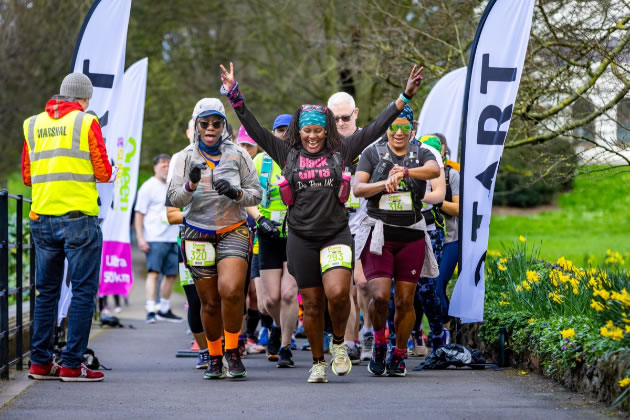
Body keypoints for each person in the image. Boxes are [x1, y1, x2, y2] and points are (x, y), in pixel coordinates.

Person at [220, 62, 424, 383]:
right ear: (298, 131)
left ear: (326, 130)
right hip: (301, 238)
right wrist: (234, 94)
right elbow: (255, 127)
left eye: (318, 131)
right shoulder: (285, 152)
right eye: (307, 131)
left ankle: (339, 345)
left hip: (335, 235)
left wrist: (404, 97)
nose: (313, 136)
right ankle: (318, 363)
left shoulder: (341, 150)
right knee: (312, 304)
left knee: (339, 293)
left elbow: (374, 127)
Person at [23, 72, 112, 381]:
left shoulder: (32, 124)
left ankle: (40, 363)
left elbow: (26, 175)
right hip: (78, 220)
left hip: (42, 217)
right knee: (84, 292)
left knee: (46, 293)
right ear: (84, 99)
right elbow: (102, 172)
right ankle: (72, 364)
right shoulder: (87, 122)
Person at [167, 98, 262, 379]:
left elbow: (256, 194)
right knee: (208, 302)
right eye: (204, 123)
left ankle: (233, 350)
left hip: (233, 229)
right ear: (196, 125)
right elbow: (172, 198)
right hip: (197, 232)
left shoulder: (239, 155)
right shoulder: (184, 157)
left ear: (224, 125)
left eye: (216, 123)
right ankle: (214, 354)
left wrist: (234, 193)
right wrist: (190, 185)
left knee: (232, 291)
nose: (211, 128)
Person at [353, 104, 440, 377]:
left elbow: (434, 171)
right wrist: (383, 183)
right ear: (386, 128)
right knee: (379, 296)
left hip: (411, 233)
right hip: (380, 232)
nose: (399, 132)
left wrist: (405, 173)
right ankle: (380, 340)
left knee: (405, 301)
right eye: (394, 126)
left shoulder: (421, 152)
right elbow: (358, 188)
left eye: (405, 127)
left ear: (412, 130)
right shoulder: (372, 153)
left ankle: (399, 353)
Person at [247, 114, 299, 367]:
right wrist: (259, 220)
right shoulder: (260, 160)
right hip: (268, 233)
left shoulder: (303, 159)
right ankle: (277, 326)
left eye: (288, 131)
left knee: (289, 294)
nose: (283, 135)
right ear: (274, 133)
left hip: (295, 234)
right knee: (269, 301)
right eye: (279, 131)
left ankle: (286, 346)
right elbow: (248, 196)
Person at [327, 92, 371, 364]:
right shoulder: (323, 145)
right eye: (336, 118)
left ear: (355, 114)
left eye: (346, 117)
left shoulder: (370, 143)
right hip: (336, 227)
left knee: (363, 285)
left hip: (367, 223)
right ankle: (352, 342)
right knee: (345, 290)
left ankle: (368, 332)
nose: (341, 122)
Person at [165, 120, 210, 370]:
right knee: (195, 300)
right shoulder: (180, 163)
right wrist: (196, 215)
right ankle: (204, 351)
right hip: (188, 241)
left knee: (219, 297)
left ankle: (224, 347)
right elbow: (171, 214)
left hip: (222, 240)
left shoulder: (224, 160)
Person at [135, 154, 182, 324]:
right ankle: (150, 308)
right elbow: (139, 213)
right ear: (155, 167)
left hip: (173, 236)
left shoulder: (175, 186)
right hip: (154, 237)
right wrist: (141, 238)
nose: (166, 167)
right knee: (153, 273)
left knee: (171, 274)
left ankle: (164, 308)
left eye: (168, 164)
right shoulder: (148, 187)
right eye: (162, 164)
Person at [432, 133, 460, 331]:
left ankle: (446, 331)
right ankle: (423, 335)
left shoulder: (453, 175)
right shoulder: (420, 173)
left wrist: (437, 200)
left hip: (451, 239)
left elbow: (459, 209)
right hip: (427, 238)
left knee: (438, 285)